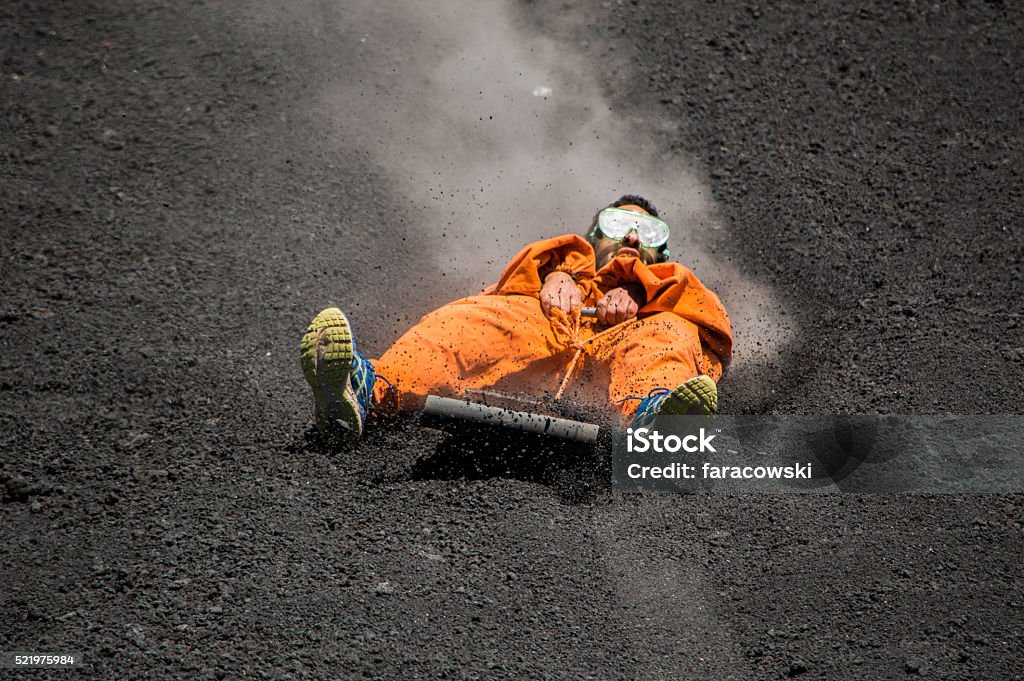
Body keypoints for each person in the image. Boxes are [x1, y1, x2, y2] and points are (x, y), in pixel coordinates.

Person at [300, 195, 732, 441]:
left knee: (668, 332)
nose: (634, 235)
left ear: (662, 253)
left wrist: (640, 287)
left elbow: (712, 328)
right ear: (592, 238)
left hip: (620, 364)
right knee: (474, 318)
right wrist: (559, 271)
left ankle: (658, 424)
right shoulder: (549, 271)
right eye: (617, 224)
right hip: (543, 341)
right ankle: (365, 392)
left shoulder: (677, 296)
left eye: (651, 232)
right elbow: (508, 284)